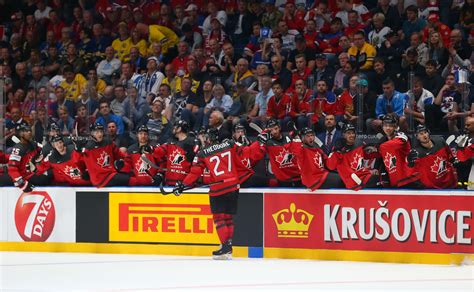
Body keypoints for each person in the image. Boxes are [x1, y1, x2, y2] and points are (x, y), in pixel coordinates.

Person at [173, 128, 253, 260]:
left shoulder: (203, 153)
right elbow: (245, 152)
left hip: (219, 187)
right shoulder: (229, 144)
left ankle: (225, 247)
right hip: (233, 185)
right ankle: (228, 246)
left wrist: (182, 185)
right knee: (228, 217)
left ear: (209, 138)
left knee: (219, 218)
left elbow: (195, 173)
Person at [327, 123, 380, 190]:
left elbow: (367, 156)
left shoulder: (359, 143)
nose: (351, 135)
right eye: (348, 133)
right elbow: (330, 166)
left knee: (380, 179)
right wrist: (336, 151)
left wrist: (378, 150)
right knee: (374, 180)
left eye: (353, 133)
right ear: (343, 135)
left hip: (363, 174)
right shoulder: (339, 148)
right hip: (351, 180)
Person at [78, 123, 130, 187]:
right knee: (131, 180)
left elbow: (120, 155)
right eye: (97, 132)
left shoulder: (108, 142)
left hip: (111, 174)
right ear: (91, 133)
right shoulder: (87, 148)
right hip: (101, 178)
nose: (100, 134)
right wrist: (77, 150)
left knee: (130, 174)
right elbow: (79, 164)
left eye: (101, 131)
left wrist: (127, 159)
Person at [377, 114, 422, 188]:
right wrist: (376, 168)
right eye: (385, 125)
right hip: (395, 180)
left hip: (409, 179)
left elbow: (388, 146)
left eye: (390, 126)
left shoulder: (401, 136)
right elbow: (379, 157)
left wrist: (376, 147)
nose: (388, 128)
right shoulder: (383, 140)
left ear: (395, 127)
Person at [410, 125, 457, 189]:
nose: (424, 135)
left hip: (449, 183)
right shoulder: (416, 153)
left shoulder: (440, 141)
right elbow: (412, 171)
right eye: (421, 134)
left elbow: (451, 157)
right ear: (417, 137)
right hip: (433, 188)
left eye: (425, 132)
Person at [8, 124, 52, 192]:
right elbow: (12, 169)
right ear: (21, 133)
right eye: (26, 131)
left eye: (30, 130)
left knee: (51, 174)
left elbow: (44, 149)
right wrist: (22, 184)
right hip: (25, 176)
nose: (29, 132)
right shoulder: (17, 149)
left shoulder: (32, 144)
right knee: (45, 180)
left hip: (34, 172)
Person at [257, 118, 300, 186]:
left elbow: (299, 150)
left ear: (279, 128)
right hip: (283, 178)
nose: (274, 131)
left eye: (276, 128)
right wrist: (262, 135)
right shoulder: (268, 143)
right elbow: (258, 154)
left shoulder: (289, 136)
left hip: (297, 175)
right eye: (271, 130)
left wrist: (296, 136)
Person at [152, 120, 197, 186]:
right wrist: (151, 149)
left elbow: (196, 162)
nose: (173, 129)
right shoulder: (170, 142)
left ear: (179, 129)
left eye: (175, 127)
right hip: (169, 183)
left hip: (184, 184)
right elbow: (159, 152)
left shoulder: (192, 142)